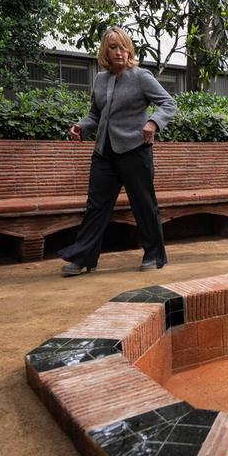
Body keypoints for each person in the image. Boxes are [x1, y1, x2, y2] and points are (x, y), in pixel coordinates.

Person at [59, 27, 177, 275]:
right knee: (96, 206)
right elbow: (96, 114)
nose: (119, 52)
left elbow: (168, 103)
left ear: (129, 49)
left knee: (143, 204)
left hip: (135, 150)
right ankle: (83, 258)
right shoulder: (101, 79)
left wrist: (153, 123)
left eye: (123, 46)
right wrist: (81, 126)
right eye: (113, 47)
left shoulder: (141, 76)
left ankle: (154, 255)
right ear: (105, 51)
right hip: (104, 151)